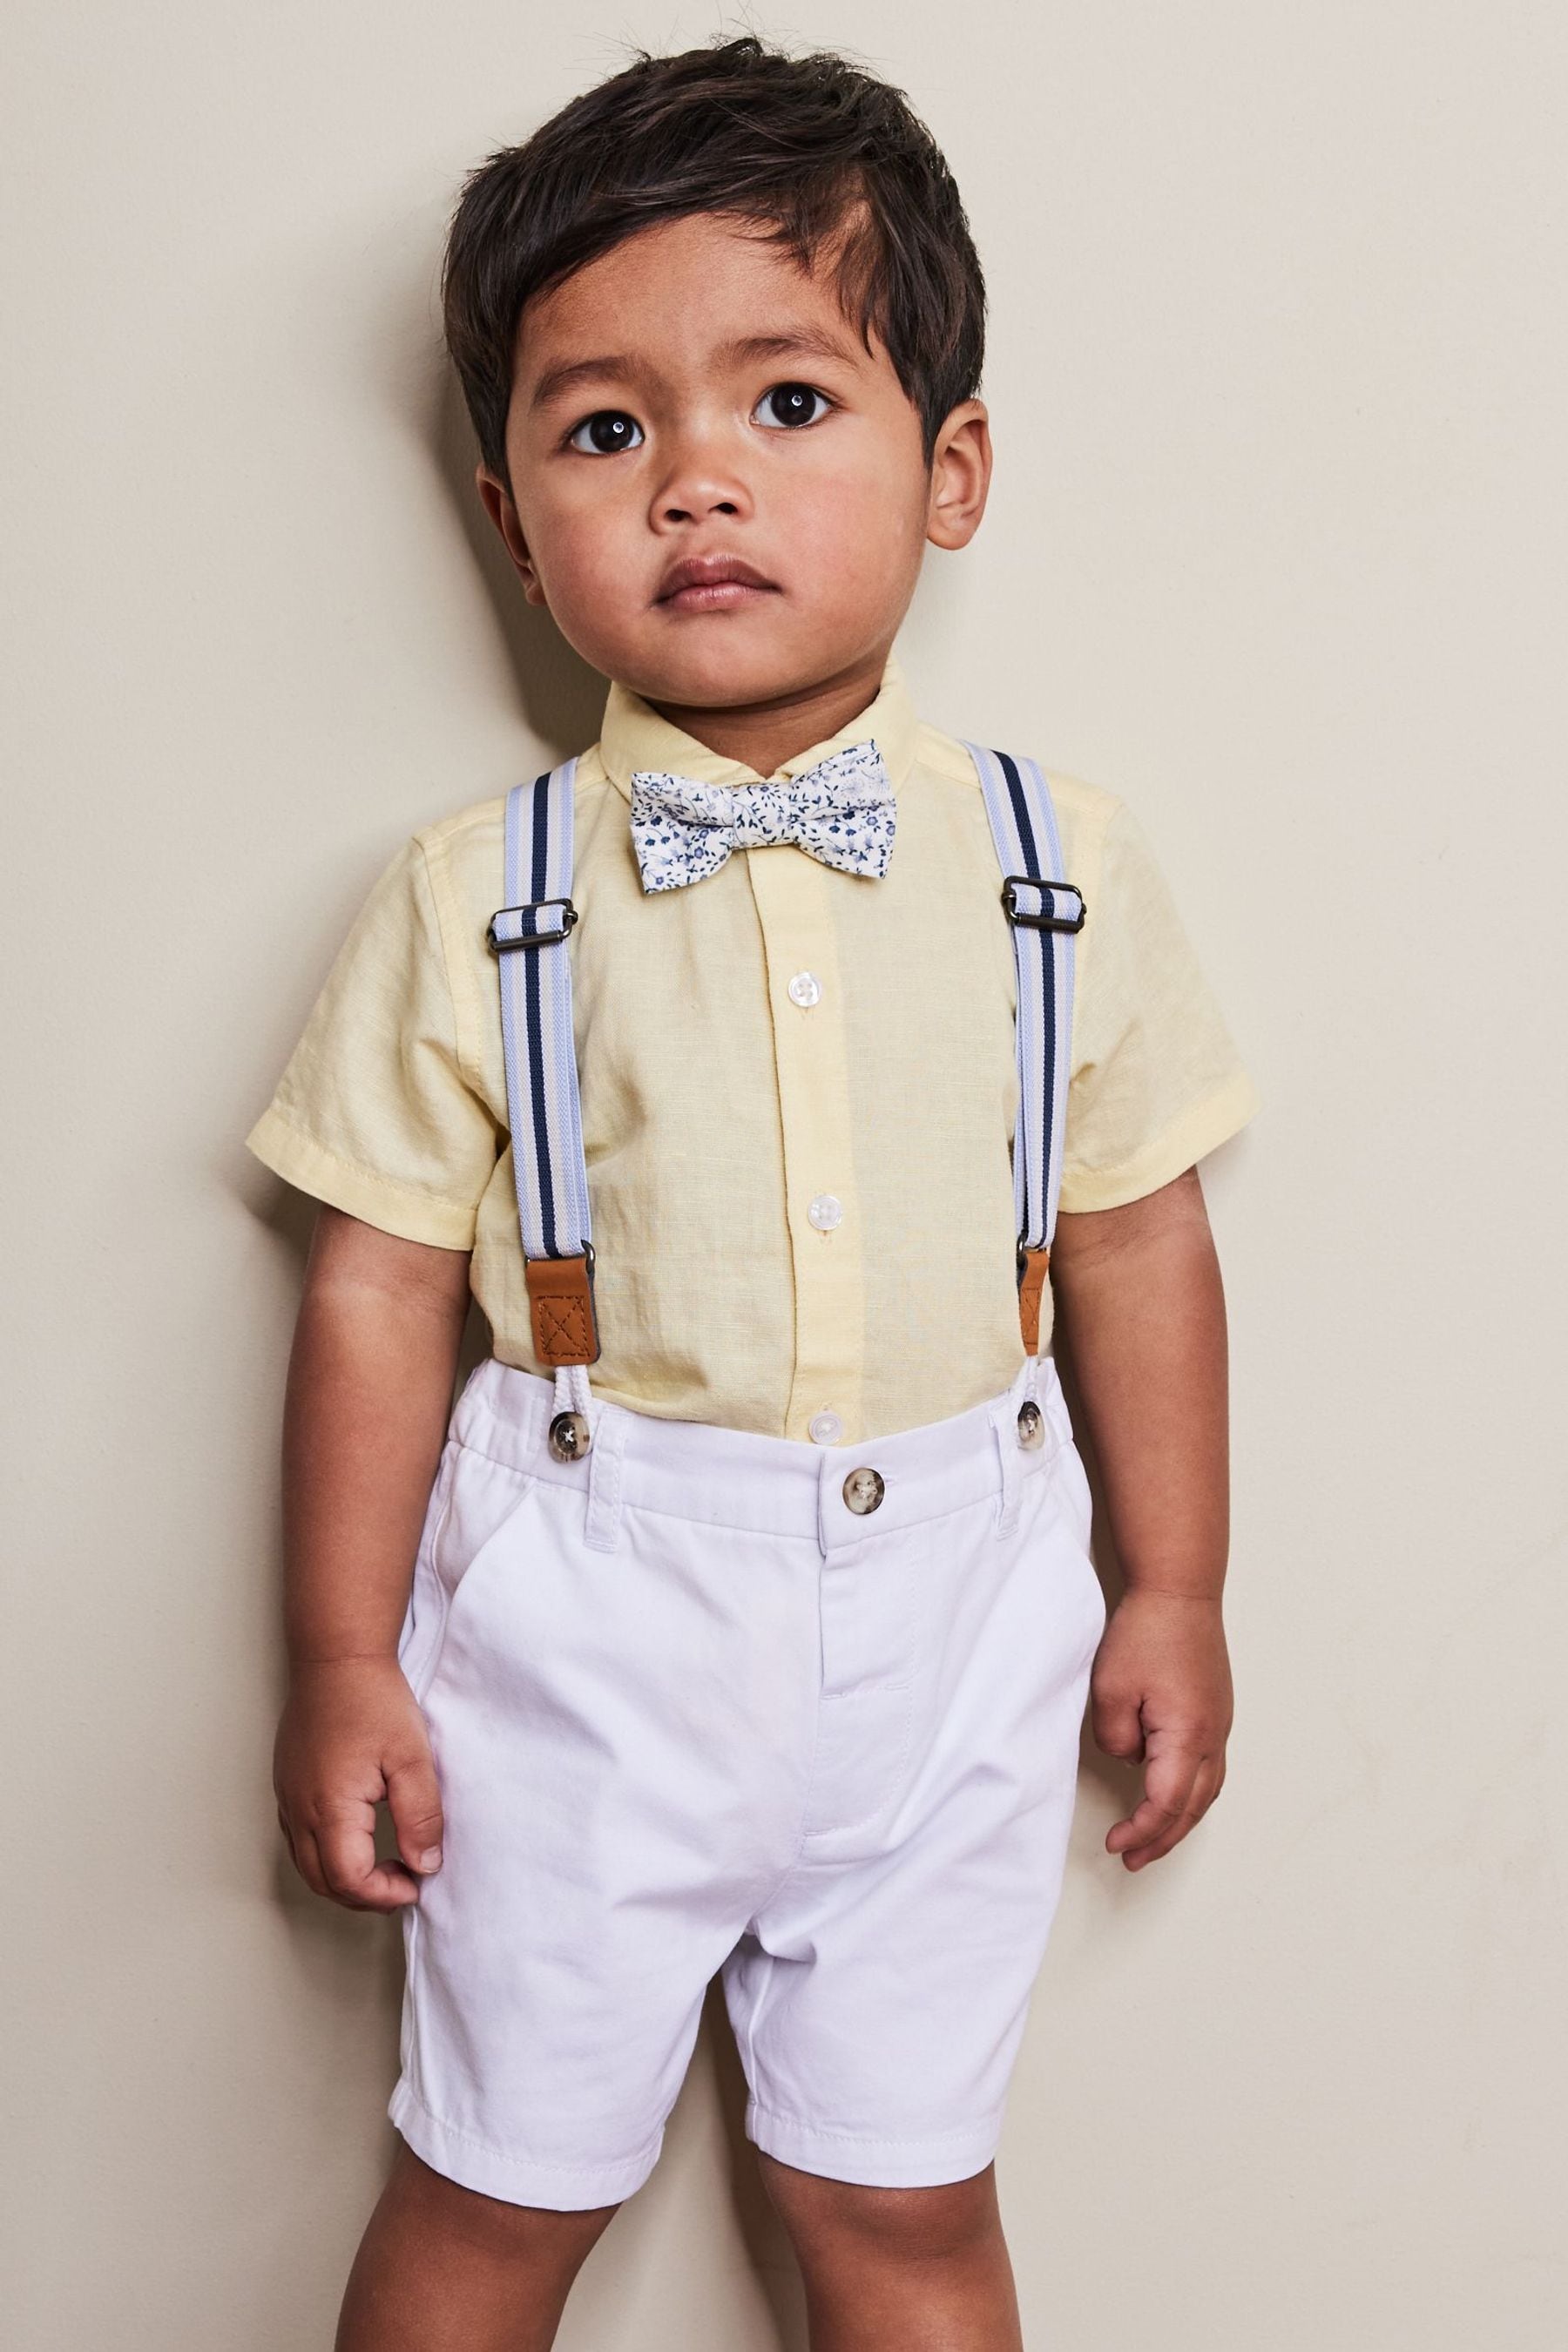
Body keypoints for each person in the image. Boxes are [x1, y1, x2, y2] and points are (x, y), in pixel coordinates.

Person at [247, 35, 1260, 2350]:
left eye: (788, 404)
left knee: (897, 2204)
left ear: (954, 464)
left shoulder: (1060, 869)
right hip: (587, 1626)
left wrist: (1179, 1583)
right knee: (497, 2194)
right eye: (607, 430)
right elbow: (381, 1294)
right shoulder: (470, 892)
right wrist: (333, 1655)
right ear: (514, 516)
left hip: (966, 1616)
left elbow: (1134, 1234)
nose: (699, 482)